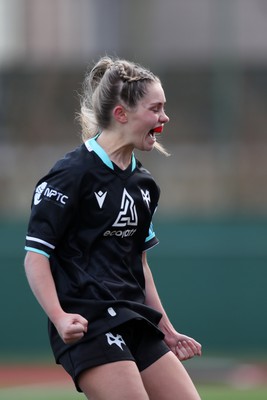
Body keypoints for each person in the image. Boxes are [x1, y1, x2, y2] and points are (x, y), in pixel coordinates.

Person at [24, 56, 202, 400]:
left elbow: (140, 266)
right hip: (89, 323)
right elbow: (36, 257)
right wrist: (60, 318)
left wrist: (166, 329)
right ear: (121, 114)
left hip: (136, 320)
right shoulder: (71, 174)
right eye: (156, 108)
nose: (165, 118)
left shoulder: (145, 185)